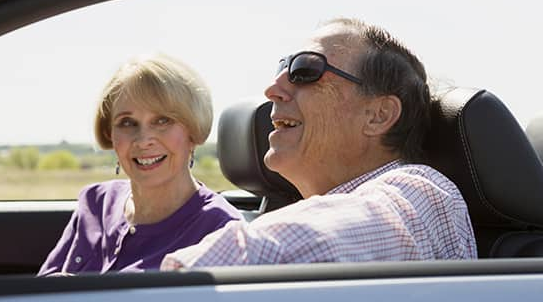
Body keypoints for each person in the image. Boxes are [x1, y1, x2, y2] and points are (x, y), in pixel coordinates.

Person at [160, 17, 477, 270]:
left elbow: (276, 250)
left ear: (378, 115)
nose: (273, 88)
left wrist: (177, 279)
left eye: (306, 70)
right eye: (282, 67)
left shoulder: (420, 194)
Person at [38, 54, 243, 275]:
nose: (143, 140)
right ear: (110, 134)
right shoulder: (96, 203)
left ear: (193, 130)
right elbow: (41, 290)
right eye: (127, 123)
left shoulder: (222, 231)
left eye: (162, 120)